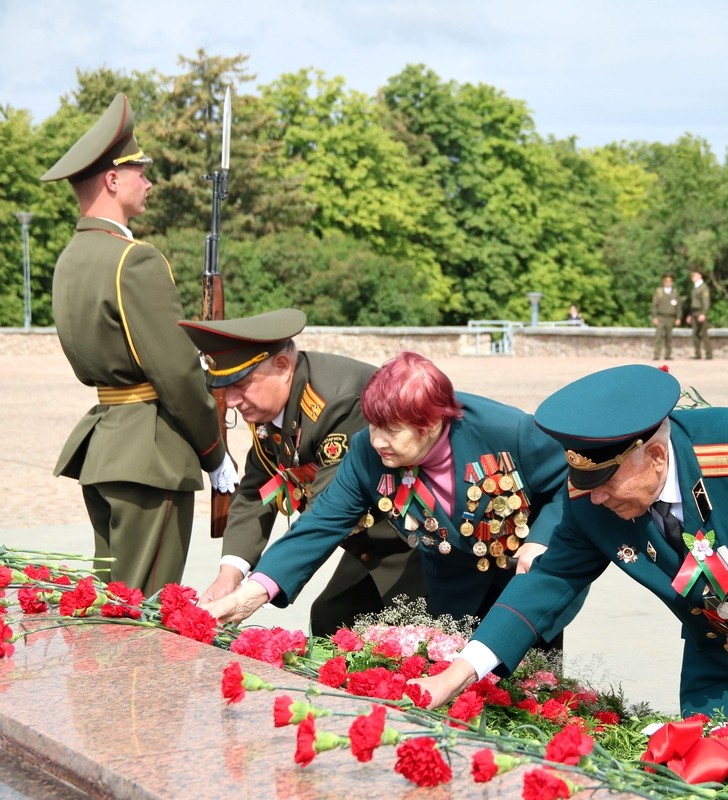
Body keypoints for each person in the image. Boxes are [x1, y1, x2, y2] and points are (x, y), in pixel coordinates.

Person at [412, 364, 728, 725]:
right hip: (722, 647)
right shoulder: (590, 502)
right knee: (701, 768)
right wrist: (457, 674)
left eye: (606, 483)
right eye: (585, 486)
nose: (595, 498)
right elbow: (550, 580)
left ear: (656, 456)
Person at [201, 352, 581, 652]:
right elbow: (321, 525)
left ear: (431, 423)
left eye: (391, 430)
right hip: (452, 588)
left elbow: (573, 479)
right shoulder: (369, 451)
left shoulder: (505, 430)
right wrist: (252, 594)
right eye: (373, 425)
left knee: (530, 694)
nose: (378, 440)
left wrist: (542, 538)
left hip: (526, 581)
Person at [41, 92, 235, 595]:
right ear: (112, 179)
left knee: (112, 599)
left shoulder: (70, 260)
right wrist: (214, 453)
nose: (148, 183)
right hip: (151, 455)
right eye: (139, 172)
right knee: (143, 615)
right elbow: (175, 373)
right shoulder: (136, 260)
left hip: (106, 445)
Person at [178, 308, 425, 636]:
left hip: (422, 540)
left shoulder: (336, 403)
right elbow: (257, 491)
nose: (233, 401)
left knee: (418, 639)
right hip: (372, 539)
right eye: (223, 389)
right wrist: (231, 574)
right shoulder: (273, 407)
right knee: (330, 618)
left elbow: (326, 511)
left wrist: (255, 592)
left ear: (281, 366)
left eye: (241, 384)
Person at [651, 272, 680, 360]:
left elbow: (678, 306)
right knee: (658, 337)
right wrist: (654, 317)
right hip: (661, 317)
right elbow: (654, 305)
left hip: (671, 317)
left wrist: (678, 317)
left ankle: (668, 355)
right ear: (663, 282)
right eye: (666, 281)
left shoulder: (675, 292)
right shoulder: (659, 292)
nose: (668, 282)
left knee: (669, 337)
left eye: (670, 281)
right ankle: (656, 355)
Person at [684, 269, 712, 359]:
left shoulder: (703, 288)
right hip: (694, 312)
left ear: (700, 276)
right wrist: (690, 314)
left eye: (694, 275)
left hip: (701, 312)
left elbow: (706, 302)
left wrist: (703, 313)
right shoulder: (695, 288)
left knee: (704, 334)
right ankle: (698, 354)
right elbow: (693, 303)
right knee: (695, 334)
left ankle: (709, 354)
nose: (693, 278)